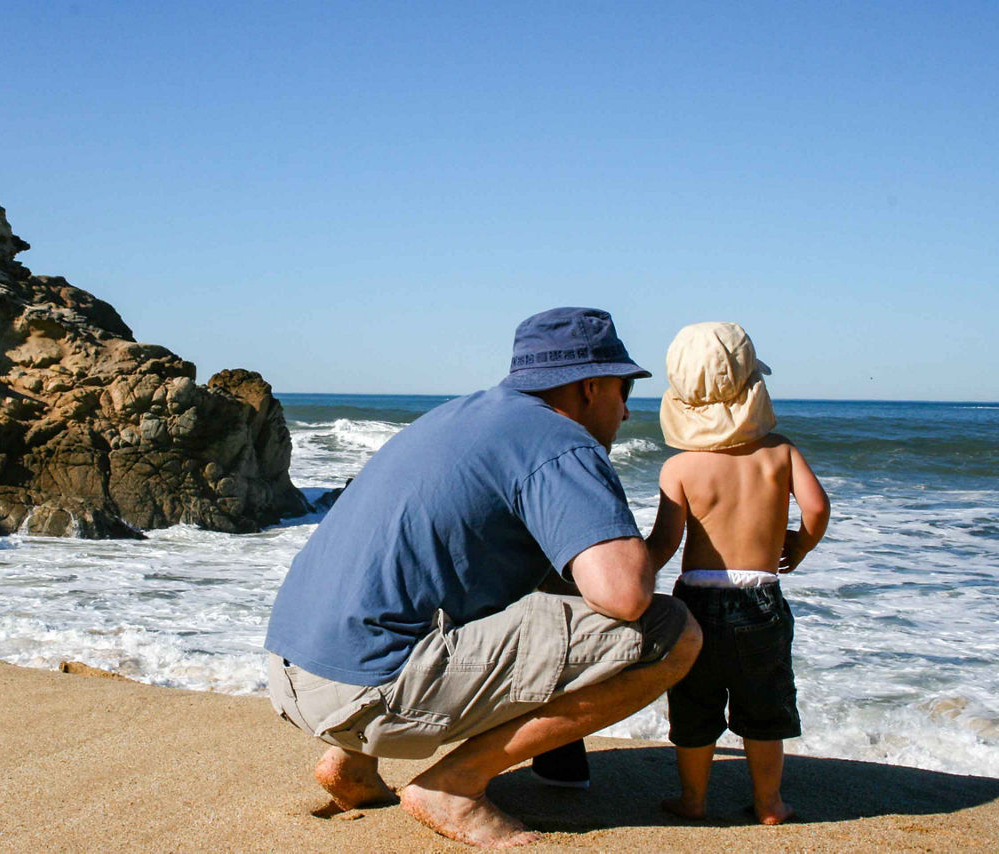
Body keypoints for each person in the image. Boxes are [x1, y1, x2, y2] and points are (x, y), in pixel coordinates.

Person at [265, 307, 703, 848]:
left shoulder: (462, 417)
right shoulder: (560, 440)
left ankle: (353, 763)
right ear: (590, 387)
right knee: (673, 633)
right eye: (624, 391)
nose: (628, 413)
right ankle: (454, 784)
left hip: (290, 674)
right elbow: (625, 597)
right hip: (369, 693)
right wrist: (669, 532)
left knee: (504, 587)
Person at [643, 321, 830, 826]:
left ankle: (694, 801)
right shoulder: (781, 451)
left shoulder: (680, 467)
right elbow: (817, 509)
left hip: (697, 603)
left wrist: (633, 578)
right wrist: (801, 546)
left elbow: (664, 543)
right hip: (761, 601)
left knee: (694, 706)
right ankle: (770, 804)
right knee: (764, 704)